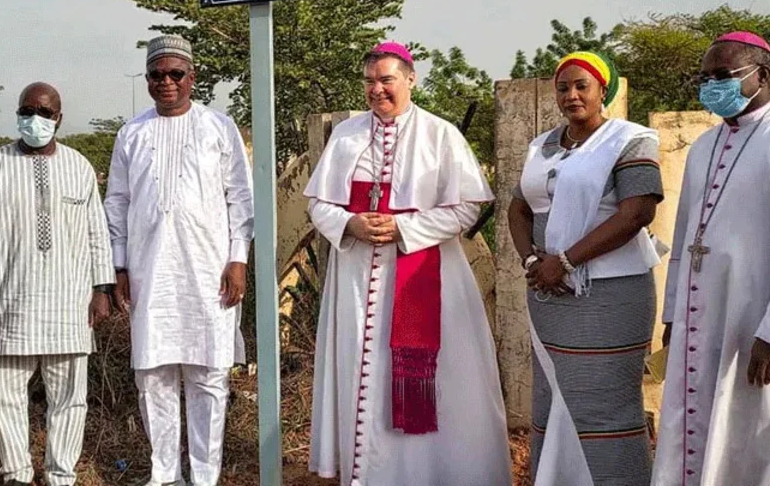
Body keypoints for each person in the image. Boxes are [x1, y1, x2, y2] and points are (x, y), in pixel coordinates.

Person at [304, 42, 512, 486]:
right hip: (356, 284)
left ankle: (431, 475)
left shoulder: (440, 135)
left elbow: (465, 209)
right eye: (370, 82)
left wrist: (404, 229)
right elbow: (318, 205)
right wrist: (350, 223)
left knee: (440, 389)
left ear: (411, 79)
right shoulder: (346, 136)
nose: (377, 90)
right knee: (364, 379)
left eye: (386, 80)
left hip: (427, 278)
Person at [104, 35, 254, 486]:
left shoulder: (218, 127)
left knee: (209, 375)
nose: (166, 82)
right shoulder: (131, 133)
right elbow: (117, 202)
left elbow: (240, 199)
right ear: (147, 79)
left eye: (175, 74)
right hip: (150, 271)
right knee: (153, 374)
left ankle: (204, 477)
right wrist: (120, 265)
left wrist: (238, 258)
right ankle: (164, 474)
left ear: (192, 77)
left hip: (209, 270)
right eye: (157, 75)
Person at [509, 51, 663, 485]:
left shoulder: (630, 140)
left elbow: (636, 214)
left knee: (605, 403)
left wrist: (566, 260)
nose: (572, 95)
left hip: (611, 297)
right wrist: (533, 260)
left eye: (582, 86)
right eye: (563, 87)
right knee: (554, 397)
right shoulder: (542, 146)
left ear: (603, 91)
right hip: (549, 295)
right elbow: (517, 209)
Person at [0, 82, 115, 486]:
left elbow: (97, 233)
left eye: (45, 113)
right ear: (17, 113)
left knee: (69, 398)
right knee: (7, 397)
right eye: (28, 111)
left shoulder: (79, 166)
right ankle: (15, 472)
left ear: (59, 119)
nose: (36, 120)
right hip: (8, 300)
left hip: (69, 302)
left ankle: (60, 475)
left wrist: (102, 289)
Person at [652, 32, 770, 485]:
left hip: (753, 313)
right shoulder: (702, 147)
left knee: (751, 427)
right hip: (697, 314)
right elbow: (684, 237)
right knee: (693, 418)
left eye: (723, 76)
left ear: (762, 75)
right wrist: (671, 315)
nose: (711, 87)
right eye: (704, 78)